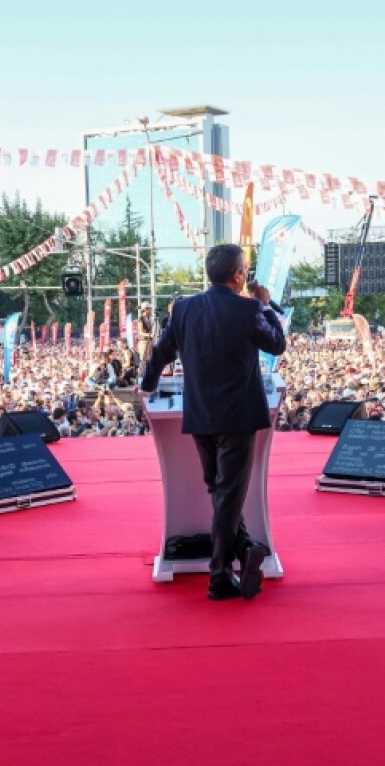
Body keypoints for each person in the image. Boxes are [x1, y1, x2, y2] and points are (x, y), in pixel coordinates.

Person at [139, 244, 286, 601]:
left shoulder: (185, 308)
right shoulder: (249, 309)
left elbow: (160, 352)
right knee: (228, 495)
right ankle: (219, 576)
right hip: (237, 417)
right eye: (245, 270)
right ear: (238, 276)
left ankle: (247, 547)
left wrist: (147, 387)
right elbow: (277, 344)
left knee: (220, 491)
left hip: (201, 414)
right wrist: (266, 305)